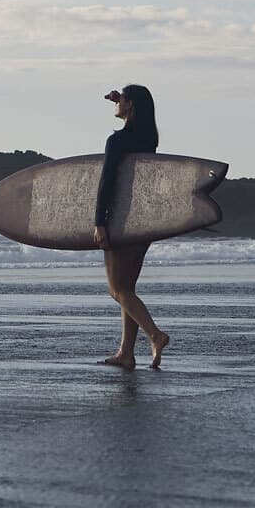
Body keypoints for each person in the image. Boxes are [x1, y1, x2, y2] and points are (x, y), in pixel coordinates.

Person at [92, 84, 169, 369]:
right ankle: (126, 353)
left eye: (120, 100)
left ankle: (155, 334)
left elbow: (108, 182)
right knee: (128, 287)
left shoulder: (117, 141)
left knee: (117, 289)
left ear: (131, 105)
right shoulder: (148, 138)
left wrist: (100, 221)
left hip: (119, 220)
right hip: (142, 220)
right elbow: (134, 114)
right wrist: (120, 100)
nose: (115, 102)